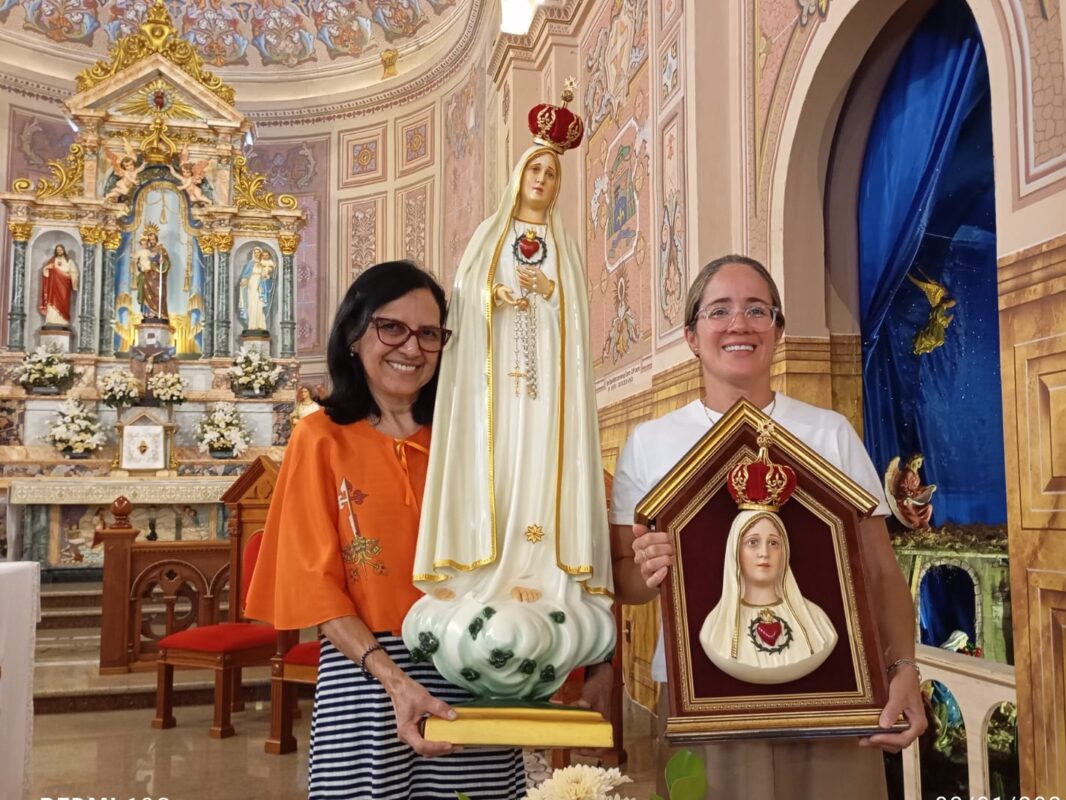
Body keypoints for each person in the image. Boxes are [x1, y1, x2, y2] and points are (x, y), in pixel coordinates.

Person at [610, 254, 927, 798]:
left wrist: (903, 668)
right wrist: (650, 568)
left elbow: (878, 571)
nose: (739, 323)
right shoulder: (650, 444)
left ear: (778, 330)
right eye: (719, 311)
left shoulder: (829, 433)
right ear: (691, 336)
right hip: (702, 699)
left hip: (831, 698)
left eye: (758, 310)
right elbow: (624, 581)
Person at [245, 261, 526, 800]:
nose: (412, 348)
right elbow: (314, 583)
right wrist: (393, 679)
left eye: (429, 334)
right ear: (354, 335)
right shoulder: (320, 438)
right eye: (391, 327)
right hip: (367, 675)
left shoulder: (471, 438)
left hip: (474, 669)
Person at [404, 86, 614, 703]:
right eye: (535, 169)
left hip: (546, 395)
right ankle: (489, 570)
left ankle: (537, 570)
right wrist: (490, 298)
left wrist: (550, 293)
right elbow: (464, 296)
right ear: (519, 176)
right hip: (496, 395)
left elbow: (576, 317)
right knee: (500, 468)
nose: (542, 179)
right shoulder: (488, 238)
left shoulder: (565, 249)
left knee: (540, 468)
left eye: (552, 174)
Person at [698, 470, 838, 685]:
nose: (764, 553)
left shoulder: (817, 622)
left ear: (785, 551)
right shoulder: (715, 628)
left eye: (773, 543)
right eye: (752, 542)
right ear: (735, 550)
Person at [133, 225, 171, 320]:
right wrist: (139, 265)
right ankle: (148, 313)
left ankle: (160, 313)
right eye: (150, 240)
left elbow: (167, 263)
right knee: (146, 295)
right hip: (147, 276)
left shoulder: (161, 250)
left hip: (157, 278)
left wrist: (162, 261)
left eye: (153, 239)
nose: (152, 241)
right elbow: (139, 263)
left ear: (156, 239)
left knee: (159, 295)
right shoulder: (145, 251)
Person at [39, 243, 79, 327]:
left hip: (65, 285)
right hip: (54, 286)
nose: (59, 251)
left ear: (63, 250)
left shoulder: (69, 261)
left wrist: (74, 284)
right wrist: (46, 268)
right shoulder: (53, 260)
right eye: (57, 250)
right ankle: (51, 320)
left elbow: (74, 272)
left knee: (64, 300)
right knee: (52, 300)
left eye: (60, 250)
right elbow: (46, 271)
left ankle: (63, 321)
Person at [237, 246, 276, 332]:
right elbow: (245, 275)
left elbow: (268, 274)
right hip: (251, 284)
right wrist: (244, 280)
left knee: (259, 304)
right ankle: (251, 325)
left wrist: (267, 277)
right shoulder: (250, 263)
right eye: (255, 252)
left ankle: (260, 325)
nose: (257, 254)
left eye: (258, 252)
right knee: (252, 303)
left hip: (261, 285)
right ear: (253, 254)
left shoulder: (264, 263)